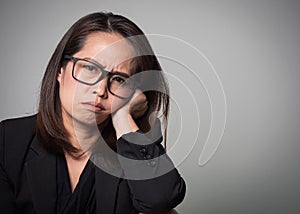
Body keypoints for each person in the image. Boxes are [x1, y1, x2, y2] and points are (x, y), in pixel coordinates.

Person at [0, 12, 185, 214]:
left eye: (119, 79)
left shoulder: (133, 148)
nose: (100, 89)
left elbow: (161, 200)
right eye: (90, 67)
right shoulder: (8, 140)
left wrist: (123, 116)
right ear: (60, 70)